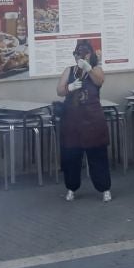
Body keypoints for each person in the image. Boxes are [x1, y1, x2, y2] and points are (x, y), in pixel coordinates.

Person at [57, 38, 111, 202]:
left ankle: (104, 188)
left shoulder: (96, 69)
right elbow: (59, 90)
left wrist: (89, 68)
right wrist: (69, 88)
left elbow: (99, 81)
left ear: (89, 55)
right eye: (77, 54)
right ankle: (71, 188)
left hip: (93, 121)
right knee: (71, 157)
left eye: (83, 54)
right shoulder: (69, 70)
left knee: (98, 157)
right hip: (72, 123)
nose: (79, 57)